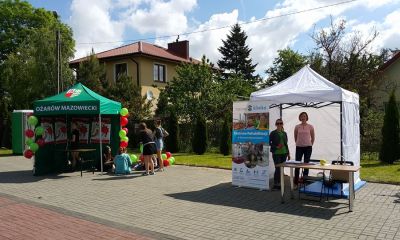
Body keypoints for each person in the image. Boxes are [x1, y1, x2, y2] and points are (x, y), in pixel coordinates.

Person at [294, 112, 315, 185]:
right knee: (297, 164)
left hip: (308, 148)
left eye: (304, 116)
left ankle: (305, 182)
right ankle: (296, 182)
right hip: (299, 147)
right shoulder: (297, 127)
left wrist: (309, 145)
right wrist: (298, 143)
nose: (303, 118)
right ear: (300, 118)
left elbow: (313, 137)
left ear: (306, 117)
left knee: (306, 165)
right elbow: (295, 137)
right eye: (302, 116)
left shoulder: (310, 126)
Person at [269, 119, 290, 189]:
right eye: (278, 123)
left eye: (280, 123)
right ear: (276, 124)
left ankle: (280, 183)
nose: (279, 125)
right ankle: (276, 183)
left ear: (282, 124)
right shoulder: (273, 133)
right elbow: (269, 142)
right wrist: (276, 146)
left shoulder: (284, 133)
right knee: (277, 168)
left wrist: (288, 153)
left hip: (284, 153)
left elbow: (286, 144)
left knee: (281, 169)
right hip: (276, 153)